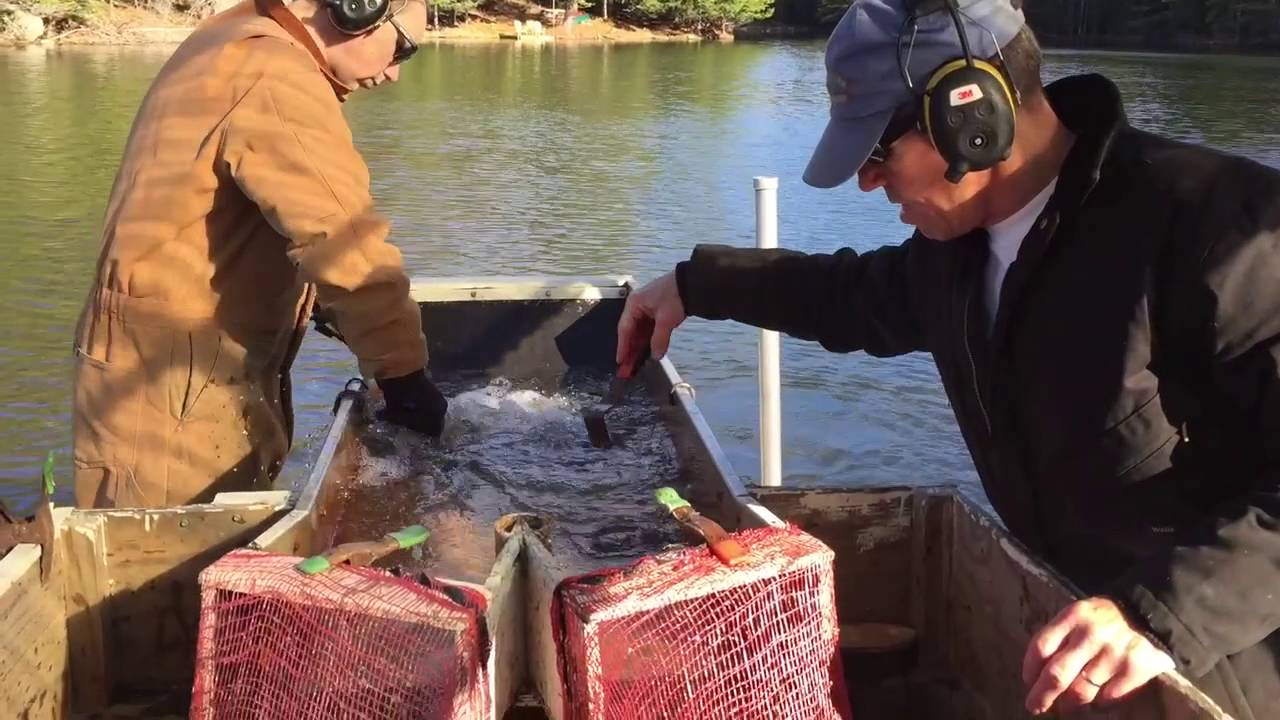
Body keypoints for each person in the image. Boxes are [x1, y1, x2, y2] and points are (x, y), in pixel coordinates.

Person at [615, 0, 1280, 717]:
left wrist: (1157, 617)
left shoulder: (1220, 228)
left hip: (1222, 671)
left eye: (877, 153)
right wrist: (694, 284)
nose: (868, 182)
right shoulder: (954, 255)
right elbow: (848, 296)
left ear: (970, 111)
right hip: (1075, 655)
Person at [72, 0, 447, 509]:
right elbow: (344, 243)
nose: (396, 73)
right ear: (357, 11)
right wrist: (406, 381)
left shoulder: (234, 37)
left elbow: (251, 222)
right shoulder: (275, 75)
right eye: (403, 46)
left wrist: (322, 308)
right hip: (176, 377)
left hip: (164, 362)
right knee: (173, 561)